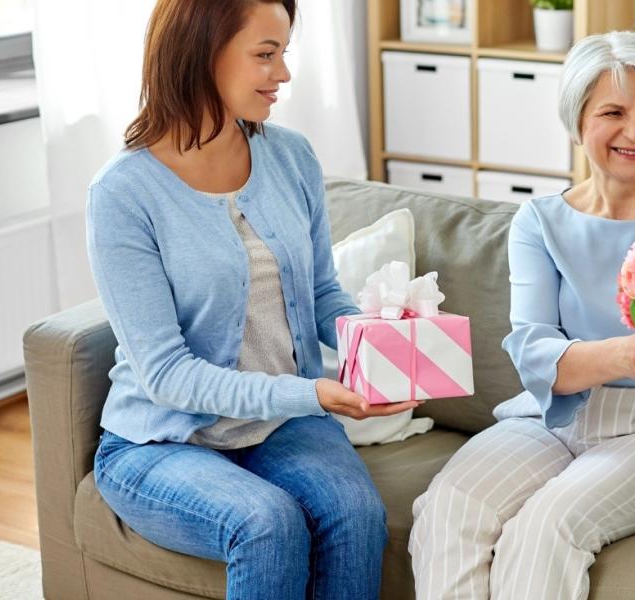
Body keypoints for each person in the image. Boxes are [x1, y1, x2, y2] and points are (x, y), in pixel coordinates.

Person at [86, 1, 418, 598]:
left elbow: (321, 293)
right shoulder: (122, 194)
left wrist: (384, 348)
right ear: (200, 53)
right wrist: (311, 392)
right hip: (163, 439)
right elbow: (165, 373)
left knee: (356, 517)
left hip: (281, 423)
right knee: (266, 524)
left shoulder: (290, 156)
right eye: (265, 55)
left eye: (283, 53)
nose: (283, 73)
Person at [408, 31, 635, 600]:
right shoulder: (540, 221)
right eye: (613, 112)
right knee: (447, 508)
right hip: (553, 418)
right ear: (576, 121)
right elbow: (533, 351)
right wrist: (624, 354)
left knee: (545, 527)